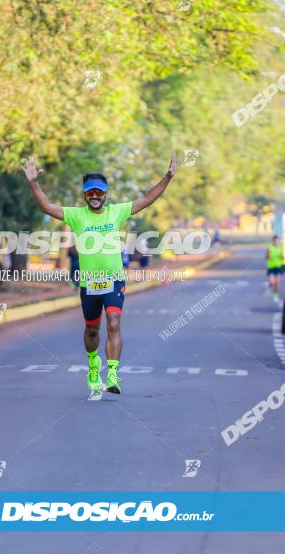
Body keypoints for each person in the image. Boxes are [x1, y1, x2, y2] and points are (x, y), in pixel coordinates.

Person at [23, 153, 178, 394]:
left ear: (105, 194)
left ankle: (113, 373)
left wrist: (167, 177)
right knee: (92, 329)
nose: (94, 196)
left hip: (114, 280)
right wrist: (33, 183)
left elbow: (146, 199)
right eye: (90, 192)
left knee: (114, 323)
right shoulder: (76, 215)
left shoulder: (115, 212)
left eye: (98, 192)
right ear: (85, 195)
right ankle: (94, 366)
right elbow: (47, 206)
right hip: (90, 284)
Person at [266, 234, 284, 301]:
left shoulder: (281, 248)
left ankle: (276, 295)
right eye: (275, 241)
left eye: (277, 240)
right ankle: (270, 284)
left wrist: (282, 256)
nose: (276, 242)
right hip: (271, 267)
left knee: (277, 283)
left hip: (278, 267)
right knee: (272, 282)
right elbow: (266, 257)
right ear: (272, 241)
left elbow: (283, 257)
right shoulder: (269, 247)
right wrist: (268, 256)